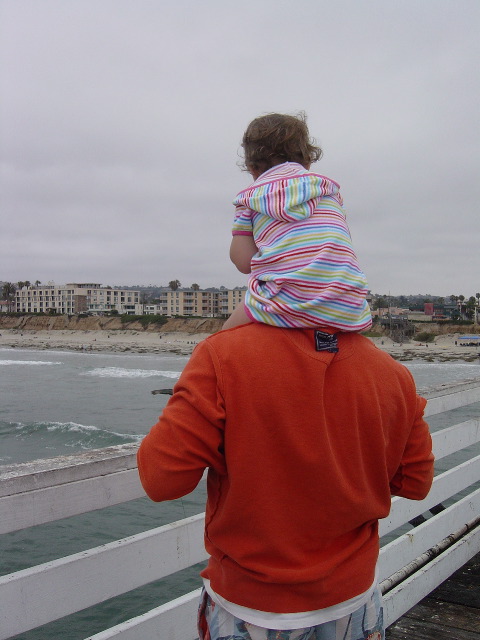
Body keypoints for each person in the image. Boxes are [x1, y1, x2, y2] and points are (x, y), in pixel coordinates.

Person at [137, 323, 434, 640]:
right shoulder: (393, 373)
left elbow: (161, 481)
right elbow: (416, 482)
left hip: (253, 607)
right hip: (353, 599)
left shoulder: (222, 355)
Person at [223, 112, 372, 332]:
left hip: (282, 302)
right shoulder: (329, 193)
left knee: (221, 339)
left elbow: (243, 263)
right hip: (349, 307)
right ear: (308, 159)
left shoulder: (250, 199)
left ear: (252, 167)